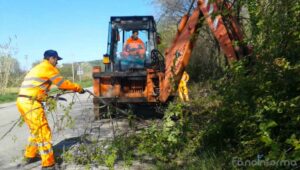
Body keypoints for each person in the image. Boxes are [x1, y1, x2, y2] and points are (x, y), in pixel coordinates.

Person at [16, 50, 85, 170]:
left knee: (35, 130)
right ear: (51, 58)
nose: (57, 62)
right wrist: (78, 88)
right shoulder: (48, 67)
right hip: (30, 102)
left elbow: (36, 88)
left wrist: (46, 97)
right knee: (43, 132)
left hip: (22, 101)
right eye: (56, 59)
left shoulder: (37, 68)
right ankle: (48, 164)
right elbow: (62, 83)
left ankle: (30, 155)